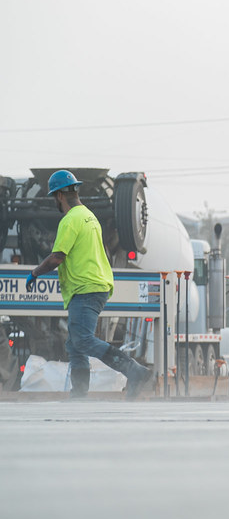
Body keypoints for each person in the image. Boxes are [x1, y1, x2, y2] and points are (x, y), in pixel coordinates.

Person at [26, 170, 154, 399]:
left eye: (54, 196)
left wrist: (35, 273)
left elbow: (57, 257)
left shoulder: (70, 220)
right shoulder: (89, 216)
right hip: (94, 285)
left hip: (86, 288)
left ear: (59, 195)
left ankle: (134, 371)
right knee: (75, 343)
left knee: (82, 340)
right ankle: (79, 394)